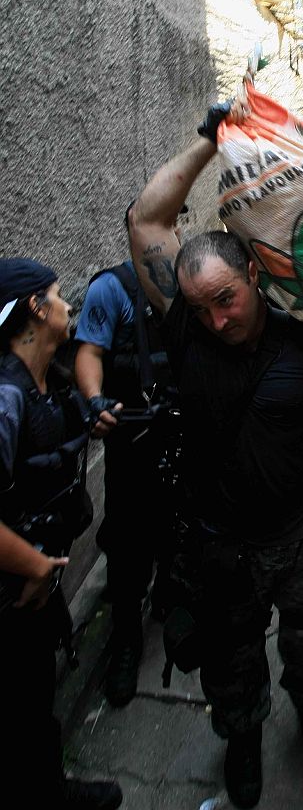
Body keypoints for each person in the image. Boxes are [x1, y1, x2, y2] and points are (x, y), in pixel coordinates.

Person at [126, 101, 303, 810]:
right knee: (231, 655)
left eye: (226, 298)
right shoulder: (187, 328)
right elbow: (147, 223)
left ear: (250, 271)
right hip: (221, 544)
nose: (218, 320)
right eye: (202, 307)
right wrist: (205, 140)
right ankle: (242, 736)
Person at [0, 258, 123, 809]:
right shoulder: (5, 398)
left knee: (33, 697)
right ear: (35, 308)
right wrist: (31, 565)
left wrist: (92, 416)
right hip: (14, 586)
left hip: (38, 580)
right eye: (57, 296)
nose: (68, 305)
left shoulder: (51, 378)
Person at [75, 207, 186, 708]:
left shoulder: (193, 280)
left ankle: (167, 590)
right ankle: (126, 638)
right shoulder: (111, 289)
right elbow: (90, 351)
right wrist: (95, 400)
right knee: (125, 542)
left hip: (184, 433)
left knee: (179, 525)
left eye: (174, 221)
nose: (168, 231)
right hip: (133, 439)